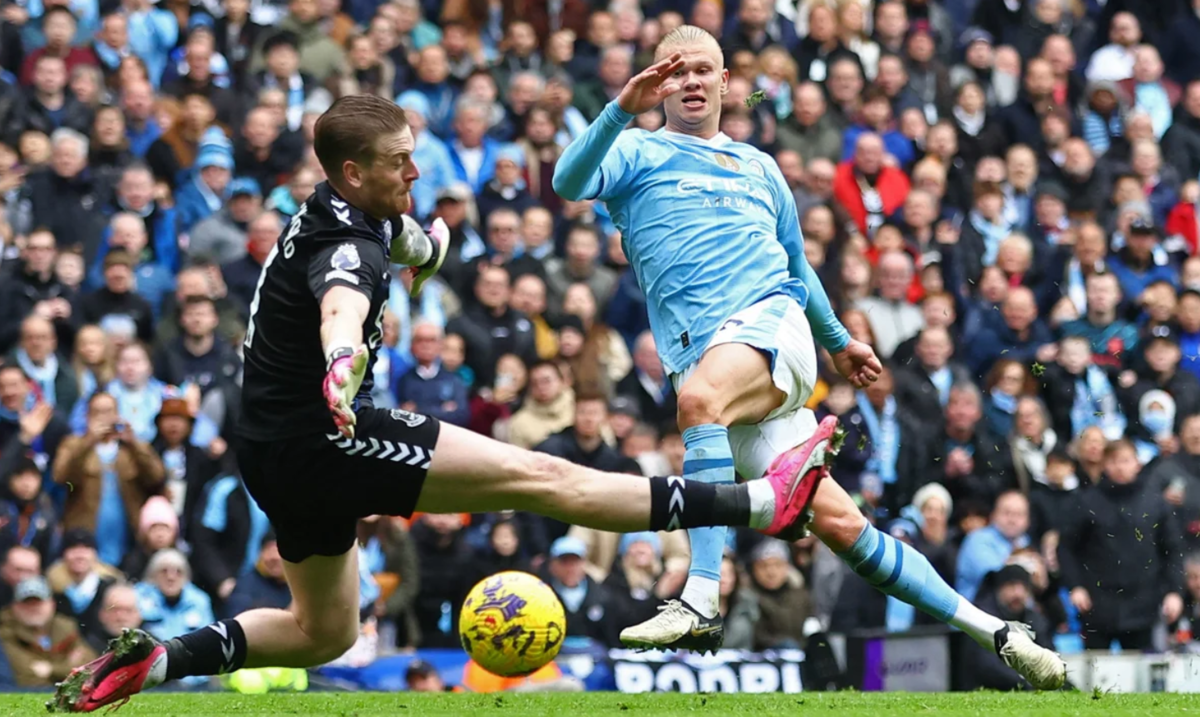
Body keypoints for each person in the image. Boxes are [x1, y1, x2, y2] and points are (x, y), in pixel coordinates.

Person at [52, 94, 826, 712]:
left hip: (274, 452)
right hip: (331, 433)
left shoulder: (336, 207)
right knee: (544, 478)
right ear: (353, 172)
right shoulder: (346, 249)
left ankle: (159, 659)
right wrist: (343, 360)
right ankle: (761, 501)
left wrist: (426, 247)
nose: (416, 171)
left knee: (323, 632)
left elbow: (399, 239)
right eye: (400, 163)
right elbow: (342, 305)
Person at [550, 24, 1063, 689]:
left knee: (699, 402)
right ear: (658, 83)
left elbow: (797, 265)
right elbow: (567, 181)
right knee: (846, 527)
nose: (691, 80)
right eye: (675, 71)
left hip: (770, 327)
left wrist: (838, 340)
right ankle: (996, 630)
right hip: (712, 364)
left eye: (703, 69)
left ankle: (701, 596)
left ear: (726, 83)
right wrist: (623, 105)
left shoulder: (760, 167)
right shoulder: (634, 149)